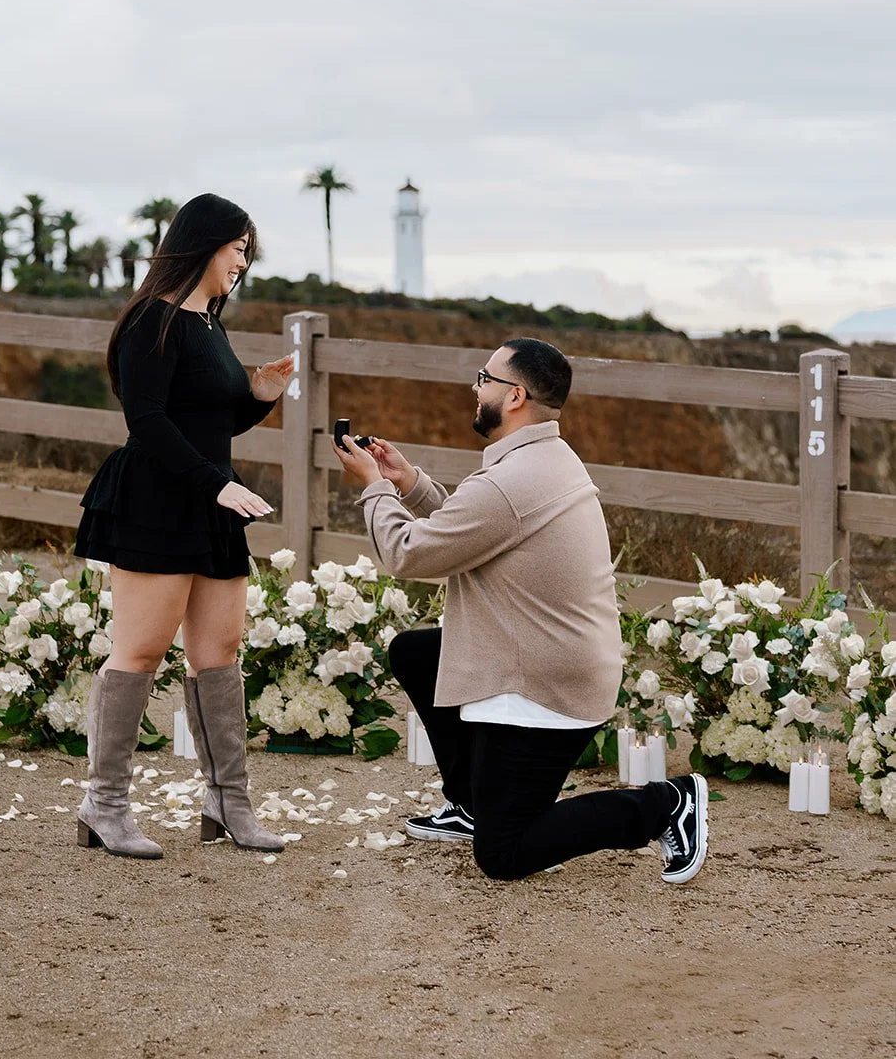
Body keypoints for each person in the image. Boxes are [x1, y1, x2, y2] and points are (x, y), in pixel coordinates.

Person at [333, 337, 709, 885]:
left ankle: (665, 805)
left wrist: (372, 488)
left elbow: (409, 553)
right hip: (550, 656)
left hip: (543, 680)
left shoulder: (512, 481)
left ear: (514, 396)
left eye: (483, 377)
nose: (474, 387)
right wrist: (408, 483)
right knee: (416, 653)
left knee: (504, 854)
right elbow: (476, 530)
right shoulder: (544, 460)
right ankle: (471, 804)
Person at [74, 192, 293, 859]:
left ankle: (227, 805)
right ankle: (103, 806)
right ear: (205, 245)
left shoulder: (210, 326)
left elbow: (210, 424)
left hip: (209, 502)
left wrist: (259, 396)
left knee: (218, 653)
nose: (243, 262)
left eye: (248, 252)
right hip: (157, 501)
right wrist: (218, 485)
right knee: (138, 651)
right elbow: (149, 425)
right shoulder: (151, 323)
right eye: (238, 249)